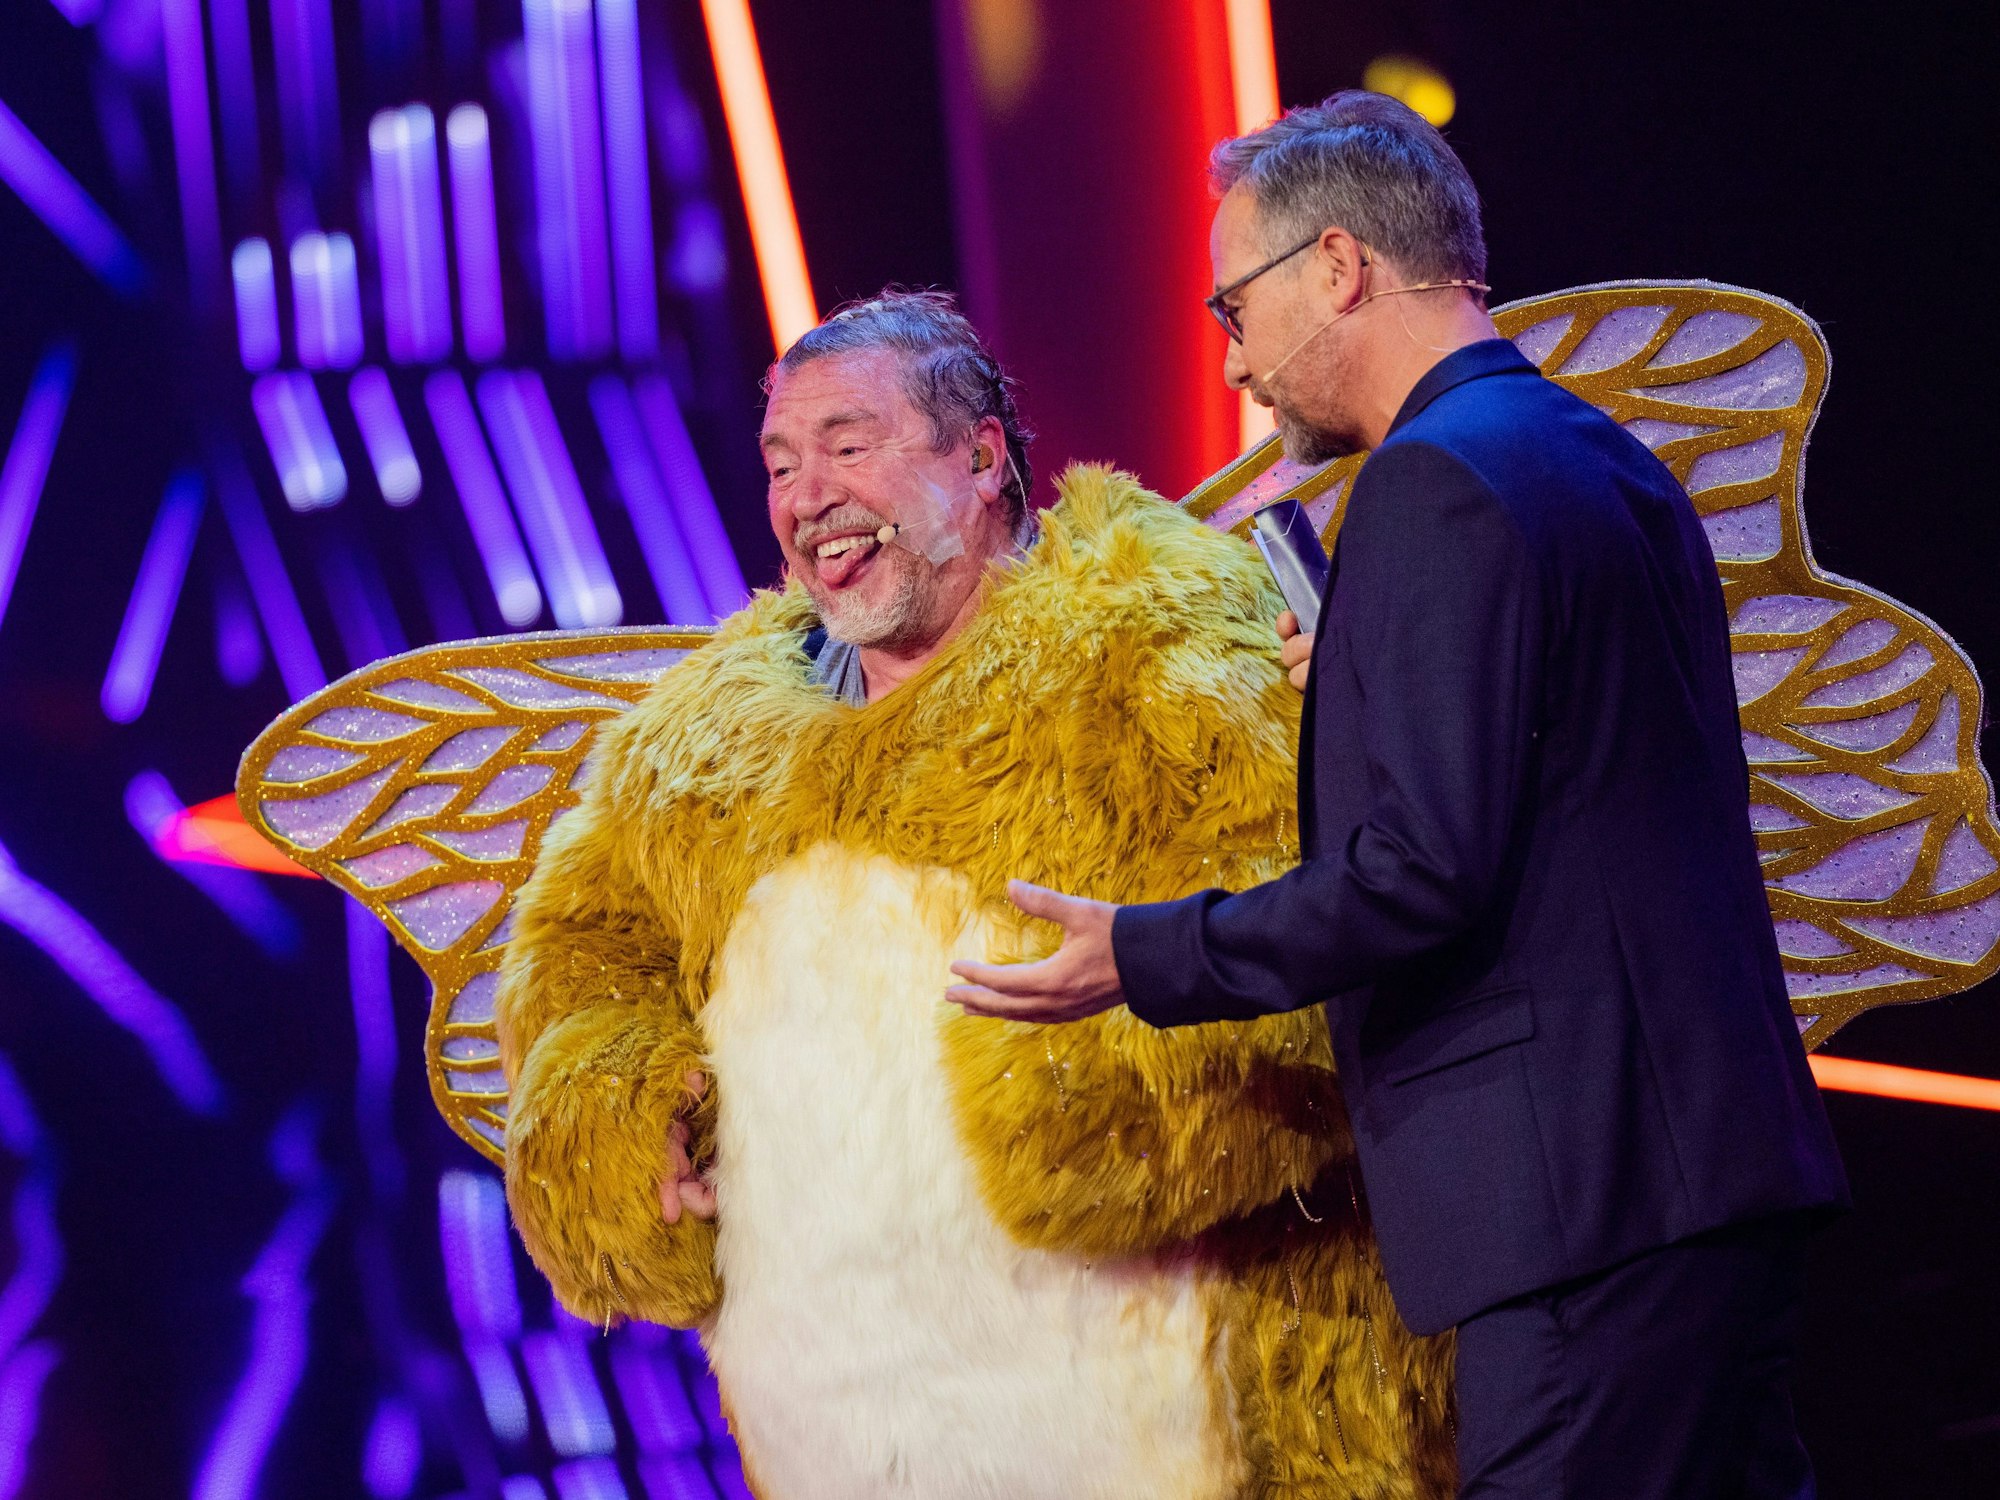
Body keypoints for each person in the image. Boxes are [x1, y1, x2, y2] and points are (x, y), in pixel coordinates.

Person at [947, 94, 1849, 1497]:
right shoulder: (1597, 456)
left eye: (1232, 303)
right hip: (1706, 1186)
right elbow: (1574, 794)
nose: (1233, 361)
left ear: (1341, 268)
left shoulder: (1435, 487)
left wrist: (1136, 953)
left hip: (1580, 1216)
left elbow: (1418, 872)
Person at [494, 290, 1455, 1499]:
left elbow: (1340, 926)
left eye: (849, 445)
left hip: (1185, 1406)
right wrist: (618, 1123)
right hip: (854, 1431)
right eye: (782, 463)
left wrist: (1076, 1104)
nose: (805, 498)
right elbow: (581, 967)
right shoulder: (698, 750)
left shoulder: (1152, 640)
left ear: (982, 457)